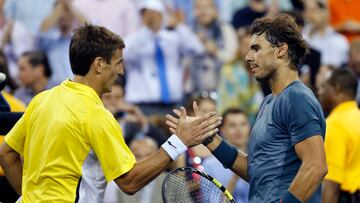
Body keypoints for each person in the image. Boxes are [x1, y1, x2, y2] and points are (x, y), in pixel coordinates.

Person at [0, 24, 221, 202]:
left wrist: (28, 197)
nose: (121, 71)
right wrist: (179, 141)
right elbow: (130, 182)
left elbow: (6, 153)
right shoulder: (96, 114)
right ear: (99, 65)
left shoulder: (41, 100)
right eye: (118, 63)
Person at [167, 14, 327, 203]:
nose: (248, 56)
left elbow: (316, 166)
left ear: (281, 50)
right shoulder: (269, 102)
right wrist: (209, 138)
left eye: (256, 48)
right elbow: (257, 173)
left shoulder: (297, 98)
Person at [124, 0, 204, 115]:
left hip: (173, 105)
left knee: (176, 134)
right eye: (148, 14)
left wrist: (178, 25)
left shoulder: (173, 37)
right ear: (142, 15)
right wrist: (149, 30)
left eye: (156, 14)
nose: (153, 18)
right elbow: (125, 54)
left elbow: (197, 49)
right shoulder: (134, 38)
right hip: (142, 106)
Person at [317, 68, 360, 203]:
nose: (320, 92)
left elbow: (332, 185)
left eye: (324, 87)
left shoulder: (335, 124)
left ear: (336, 88)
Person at [202, 108, 250, 203]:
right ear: (222, 130)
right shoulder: (209, 165)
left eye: (243, 124)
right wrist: (236, 176)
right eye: (232, 125)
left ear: (249, 127)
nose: (239, 130)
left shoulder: (260, 159)